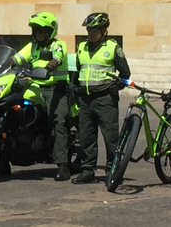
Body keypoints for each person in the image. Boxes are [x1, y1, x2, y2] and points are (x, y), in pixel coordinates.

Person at [72, 12, 131, 184]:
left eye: (94, 31)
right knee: (86, 136)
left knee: (110, 137)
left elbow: (125, 73)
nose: (90, 34)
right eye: (89, 30)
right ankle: (87, 170)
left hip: (105, 98)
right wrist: (75, 88)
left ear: (104, 30)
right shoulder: (82, 47)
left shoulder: (112, 47)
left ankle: (113, 170)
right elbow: (78, 70)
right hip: (86, 99)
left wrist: (117, 86)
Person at [14, 12, 71, 181]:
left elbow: (57, 58)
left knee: (57, 122)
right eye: (36, 30)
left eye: (41, 30)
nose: (38, 33)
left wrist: (49, 67)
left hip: (55, 88)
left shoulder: (58, 44)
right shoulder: (32, 46)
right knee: (17, 111)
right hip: (34, 86)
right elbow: (17, 58)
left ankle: (63, 165)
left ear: (50, 31)